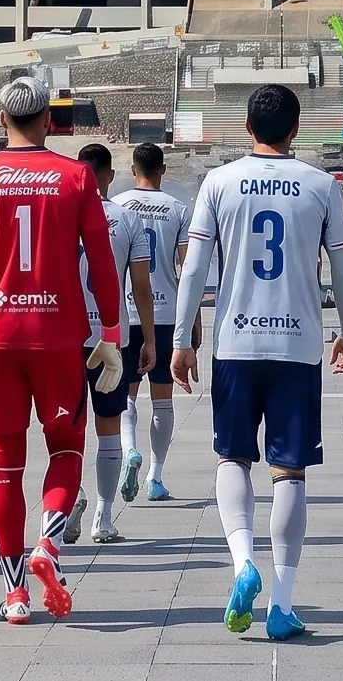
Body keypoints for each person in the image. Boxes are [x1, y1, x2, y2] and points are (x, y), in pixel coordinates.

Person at [0, 71, 128, 624]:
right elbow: (102, 265)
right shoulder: (77, 178)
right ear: (48, 120)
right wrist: (111, 334)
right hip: (60, 334)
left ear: (0, 119)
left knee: (3, 468)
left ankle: (14, 594)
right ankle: (49, 546)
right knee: (66, 452)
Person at [171, 84, 343, 641]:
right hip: (297, 344)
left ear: (246, 127)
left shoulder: (219, 181)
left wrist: (183, 339)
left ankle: (241, 564)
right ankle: (281, 603)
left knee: (232, 458)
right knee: (290, 471)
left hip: (235, 341)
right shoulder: (322, 186)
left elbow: (195, 269)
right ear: (296, 129)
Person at [74, 141, 157, 544]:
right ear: (109, 176)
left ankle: (70, 496)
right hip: (113, 336)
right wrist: (151, 339)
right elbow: (141, 286)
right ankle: (104, 517)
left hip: (67, 338)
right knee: (109, 427)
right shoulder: (126, 219)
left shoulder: (59, 215)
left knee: (67, 428)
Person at [108, 142, 191, 502]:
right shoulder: (177, 209)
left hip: (124, 311)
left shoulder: (118, 206)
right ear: (163, 171)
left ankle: (129, 450)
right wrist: (193, 318)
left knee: (126, 393)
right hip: (167, 311)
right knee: (162, 399)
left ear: (132, 169)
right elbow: (188, 268)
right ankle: (156, 477)